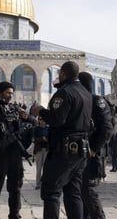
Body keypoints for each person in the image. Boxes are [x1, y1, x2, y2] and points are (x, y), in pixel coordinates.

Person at [30, 61, 92, 219]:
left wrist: (41, 111)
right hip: (81, 150)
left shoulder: (64, 93)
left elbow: (57, 119)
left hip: (63, 152)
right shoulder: (86, 93)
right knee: (73, 193)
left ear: (63, 74)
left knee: (51, 191)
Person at [0, 80, 36, 219]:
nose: (10, 96)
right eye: (7, 93)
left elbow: (33, 122)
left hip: (15, 152)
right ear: (0, 92)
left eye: (11, 93)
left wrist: (27, 117)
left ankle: (15, 214)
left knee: (15, 187)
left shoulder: (15, 108)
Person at [78, 72, 113, 219]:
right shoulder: (83, 101)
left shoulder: (97, 101)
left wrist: (94, 148)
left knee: (88, 191)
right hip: (82, 153)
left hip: (92, 154)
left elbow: (107, 128)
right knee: (81, 191)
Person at [33, 117, 49, 190]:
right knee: (38, 168)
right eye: (40, 120)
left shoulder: (48, 129)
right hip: (39, 149)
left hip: (46, 149)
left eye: (43, 120)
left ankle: (45, 182)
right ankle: (38, 183)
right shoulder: (36, 129)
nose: (42, 121)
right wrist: (41, 139)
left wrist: (47, 139)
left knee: (46, 168)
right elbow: (34, 139)